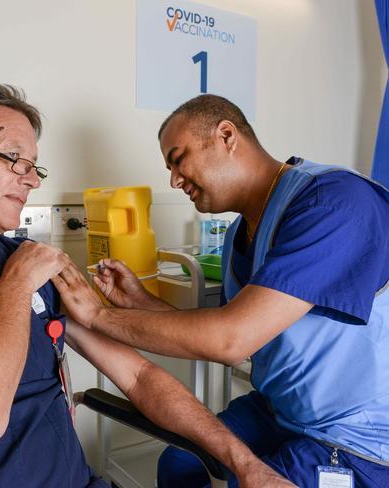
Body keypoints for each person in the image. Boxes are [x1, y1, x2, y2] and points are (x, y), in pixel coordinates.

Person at [0, 85, 294, 487]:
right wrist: (16, 282)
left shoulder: (20, 260)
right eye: (14, 159)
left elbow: (138, 376)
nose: (30, 179)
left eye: (34, 166)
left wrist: (244, 462)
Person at [52, 94, 389, 487]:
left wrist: (98, 315)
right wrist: (142, 304)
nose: (174, 180)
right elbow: (243, 343)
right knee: (181, 463)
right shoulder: (238, 235)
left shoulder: (334, 204)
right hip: (281, 411)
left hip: (354, 434)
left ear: (226, 135)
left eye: (178, 159)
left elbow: (230, 340)